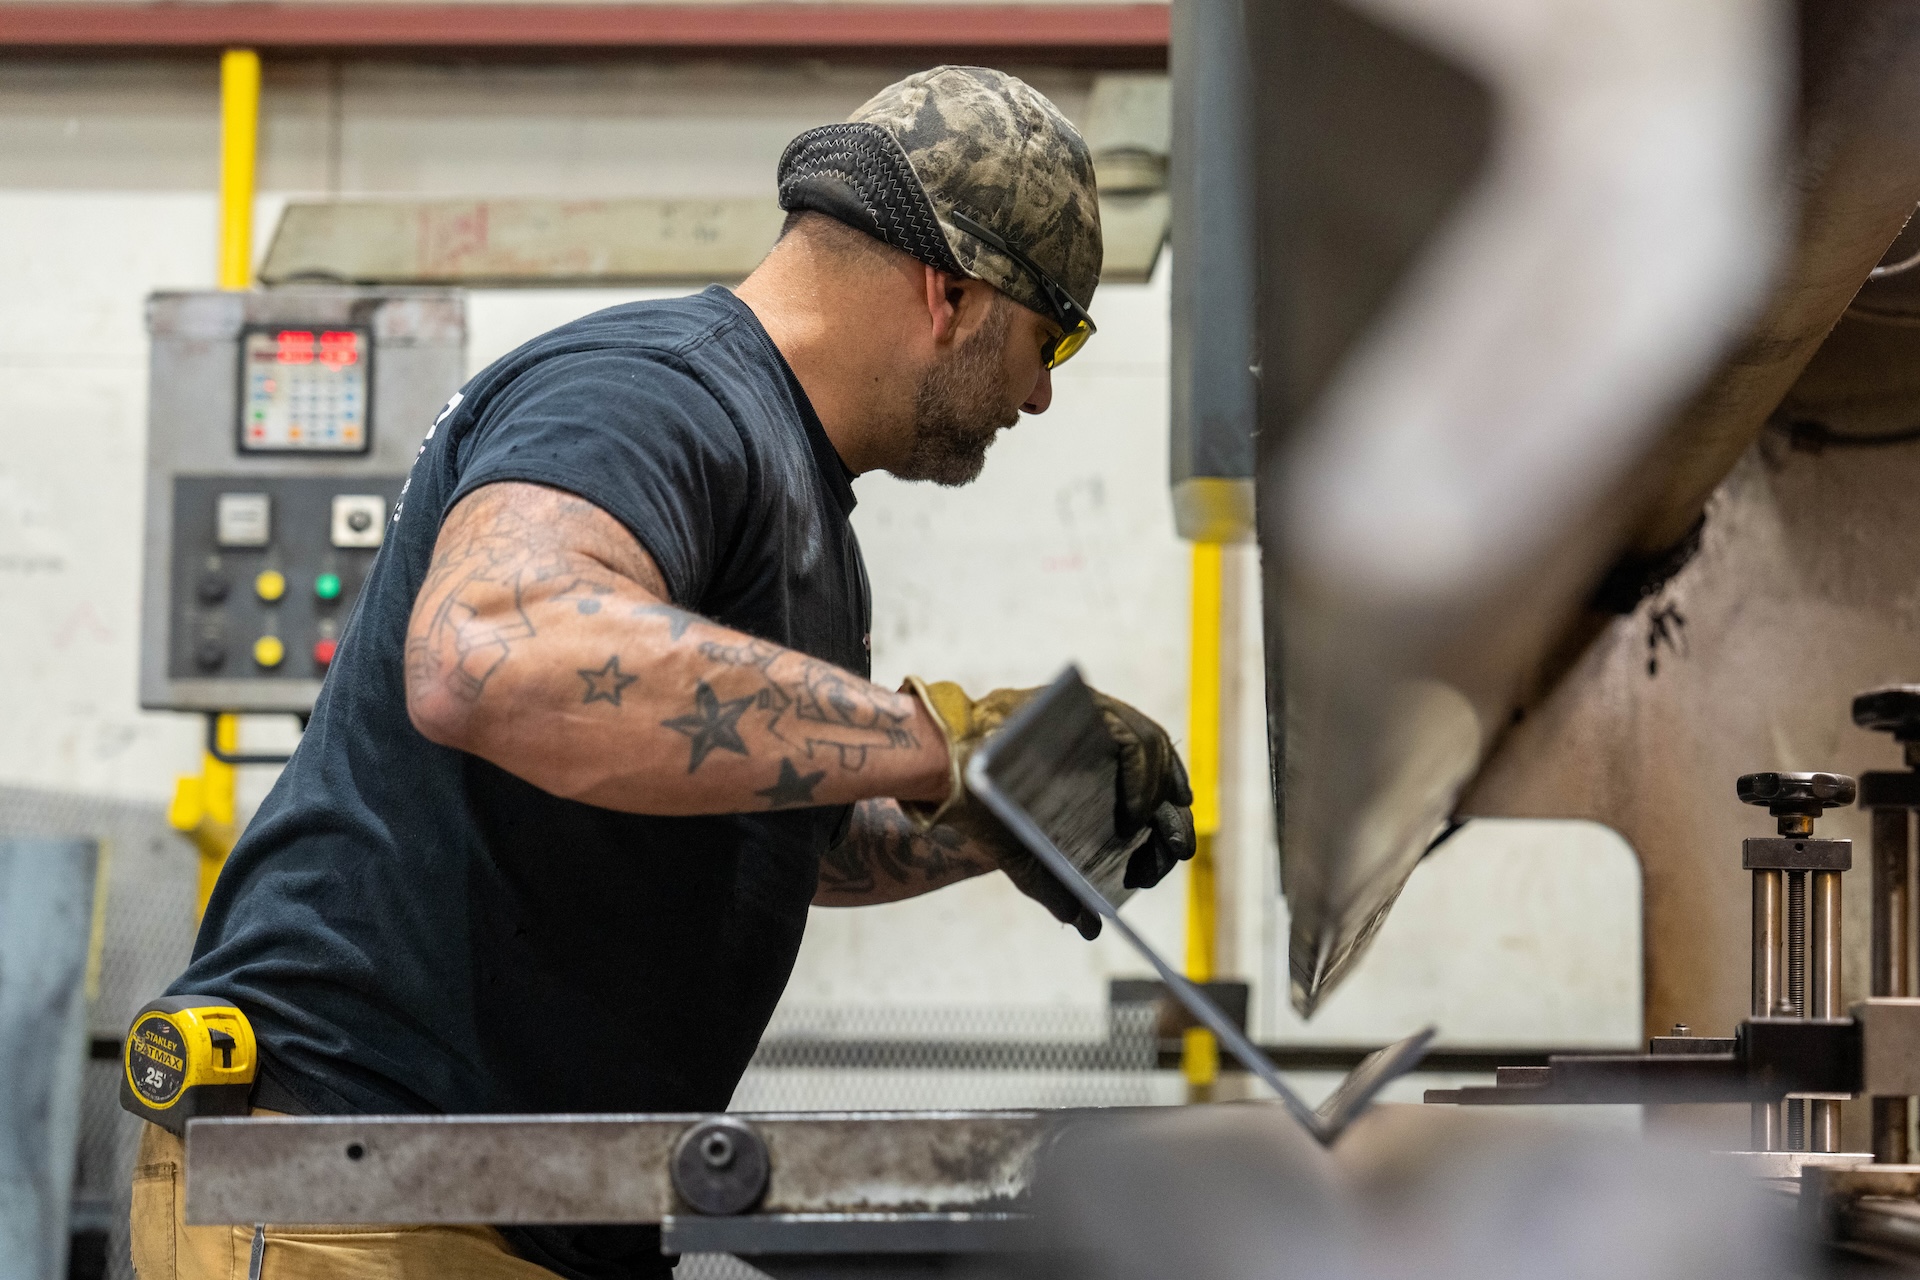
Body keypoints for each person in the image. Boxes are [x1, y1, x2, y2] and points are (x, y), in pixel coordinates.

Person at [129, 65, 1194, 1280]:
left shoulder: (803, 505)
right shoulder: (654, 391)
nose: (1042, 392)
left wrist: (995, 816)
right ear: (950, 289)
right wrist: (935, 738)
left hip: (521, 1199)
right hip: (356, 1184)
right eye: (1051, 333)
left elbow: (764, 822)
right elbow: (489, 653)